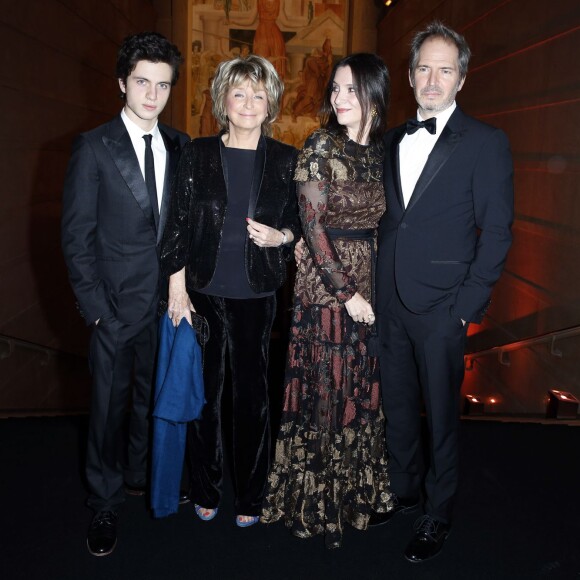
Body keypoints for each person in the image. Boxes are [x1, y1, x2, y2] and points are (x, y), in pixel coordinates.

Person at [374, 21, 514, 562]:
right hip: (389, 301)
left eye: (445, 69)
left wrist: (463, 311)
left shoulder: (485, 142)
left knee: (441, 416)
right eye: (424, 69)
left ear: (462, 79)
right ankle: (405, 491)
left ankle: (438, 511)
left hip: (443, 308)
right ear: (410, 77)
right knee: (399, 407)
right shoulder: (390, 140)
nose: (433, 80)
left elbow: (498, 232)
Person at [61, 32, 190, 556]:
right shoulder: (94, 147)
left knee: (149, 403)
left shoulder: (181, 145)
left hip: (166, 307)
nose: (152, 95)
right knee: (107, 413)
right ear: (122, 82)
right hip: (113, 312)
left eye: (162, 85)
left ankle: (141, 478)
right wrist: (96, 314)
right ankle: (105, 503)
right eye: (142, 82)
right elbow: (75, 238)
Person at [160, 54, 301, 528]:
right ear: (223, 99)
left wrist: (280, 238)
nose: (248, 103)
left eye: (258, 94)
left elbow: (301, 227)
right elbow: (176, 225)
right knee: (205, 395)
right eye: (238, 92)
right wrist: (176, 289)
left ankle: (252, 495)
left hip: (257, 294)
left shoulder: (286, 159)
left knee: (252, 398)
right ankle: (205, 487)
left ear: (271, 104)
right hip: (202, 291)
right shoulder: (197, 154)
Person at [261, 53, 393, 549]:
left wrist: (370, 290)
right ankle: (315, 500)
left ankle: (354, 492)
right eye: (335, 89)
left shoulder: (379, 152)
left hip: (368, 283)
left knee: (355, 390)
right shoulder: (319, 146)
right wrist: (348, 293)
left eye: (351, 90)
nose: (338, 99)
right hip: (326, 289)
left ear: (374, 95)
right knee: (325, 388)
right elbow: (313, 230)